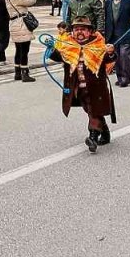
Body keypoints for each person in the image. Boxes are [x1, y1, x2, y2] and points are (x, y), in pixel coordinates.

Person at [49, 15, 117, 153]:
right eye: (76, 29)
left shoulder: (98, 44)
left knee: (94, 110)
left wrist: (111, 52)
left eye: (83, 29)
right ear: (72, 31)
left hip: (96, 88)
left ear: (90, 31)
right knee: (91, 110)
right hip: (77, 88)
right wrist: (51, 48)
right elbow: (57, 56)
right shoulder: (68, 45)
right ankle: (105, 133)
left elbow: (109, 59)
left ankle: (92, 137)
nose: (79, 32)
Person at [4, 0, 37, 82]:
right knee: (25, 50)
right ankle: (25, 74)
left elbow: (23, 0)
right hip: (22, 25)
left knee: (18, 50)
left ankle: (17, 73)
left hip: (14, 25)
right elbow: (32, 1)